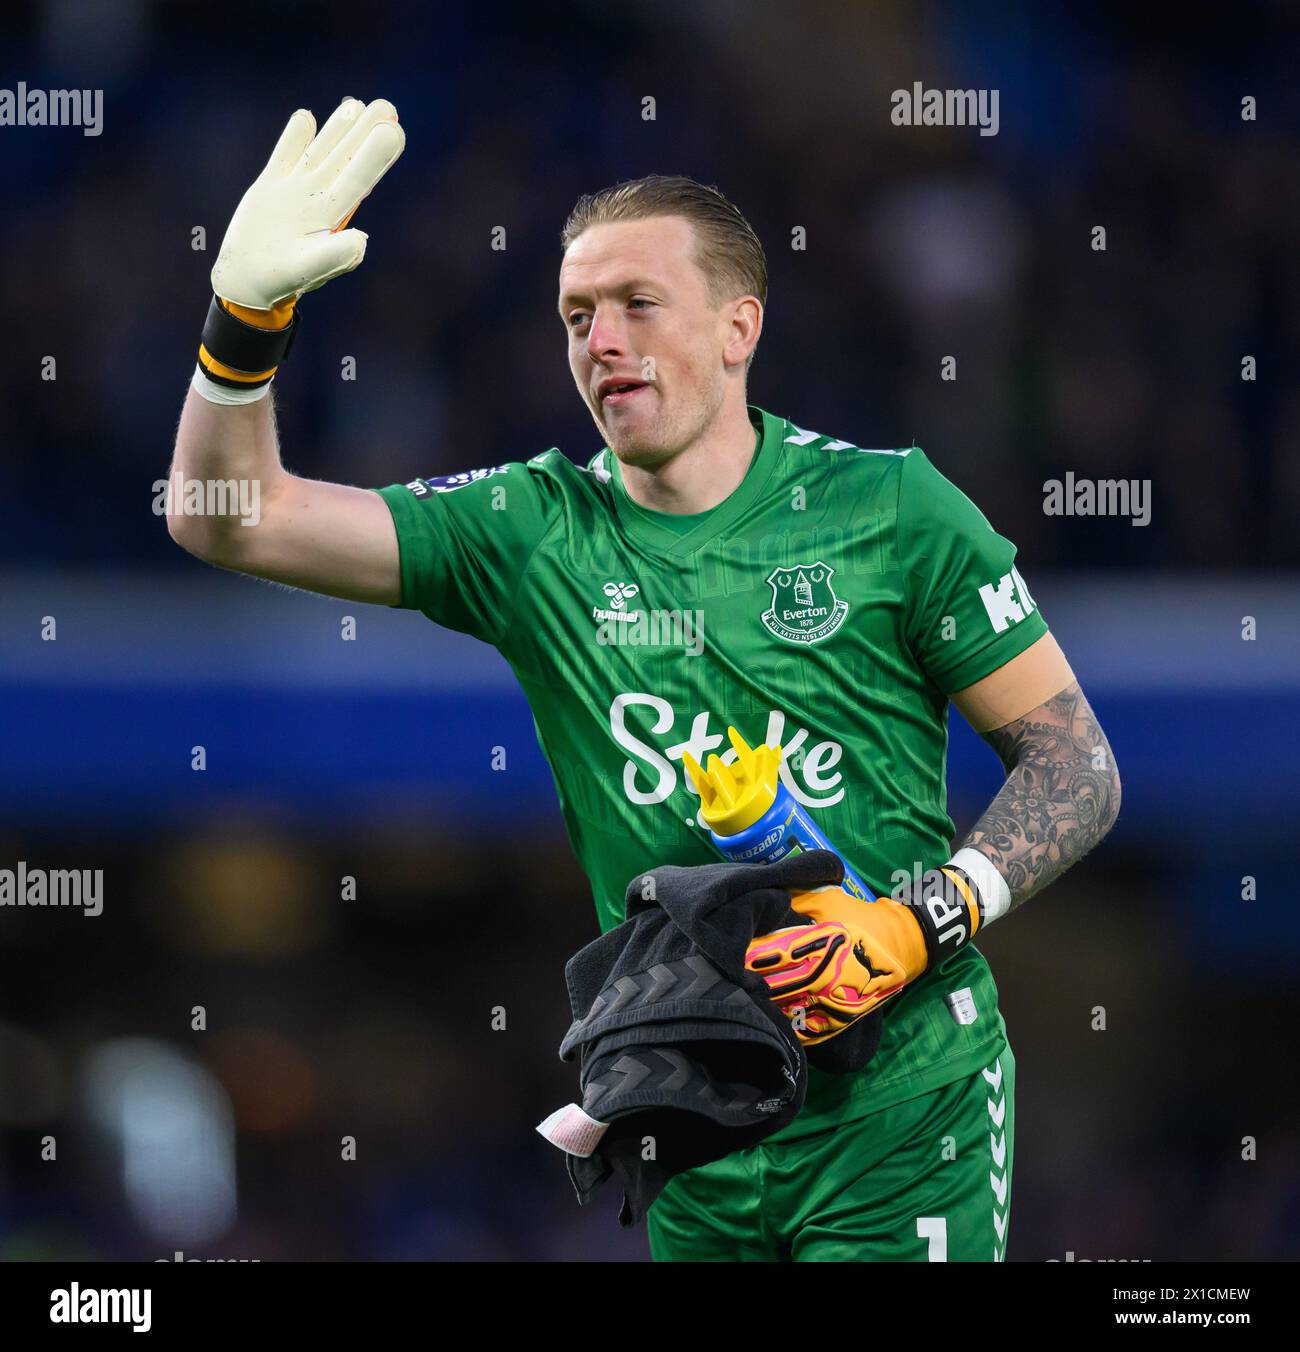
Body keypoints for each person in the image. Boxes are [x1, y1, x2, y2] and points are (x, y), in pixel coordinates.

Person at [168, 97, 1121, 1261]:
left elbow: (1074, 763)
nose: (600, 339)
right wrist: (242, 322)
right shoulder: (530, 530)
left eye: (635, 305)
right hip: (690, 1105)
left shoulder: (892, 510)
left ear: (737, 326)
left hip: (900, 1105)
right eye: (576, 315)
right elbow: (231, 517)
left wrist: (923, 919)